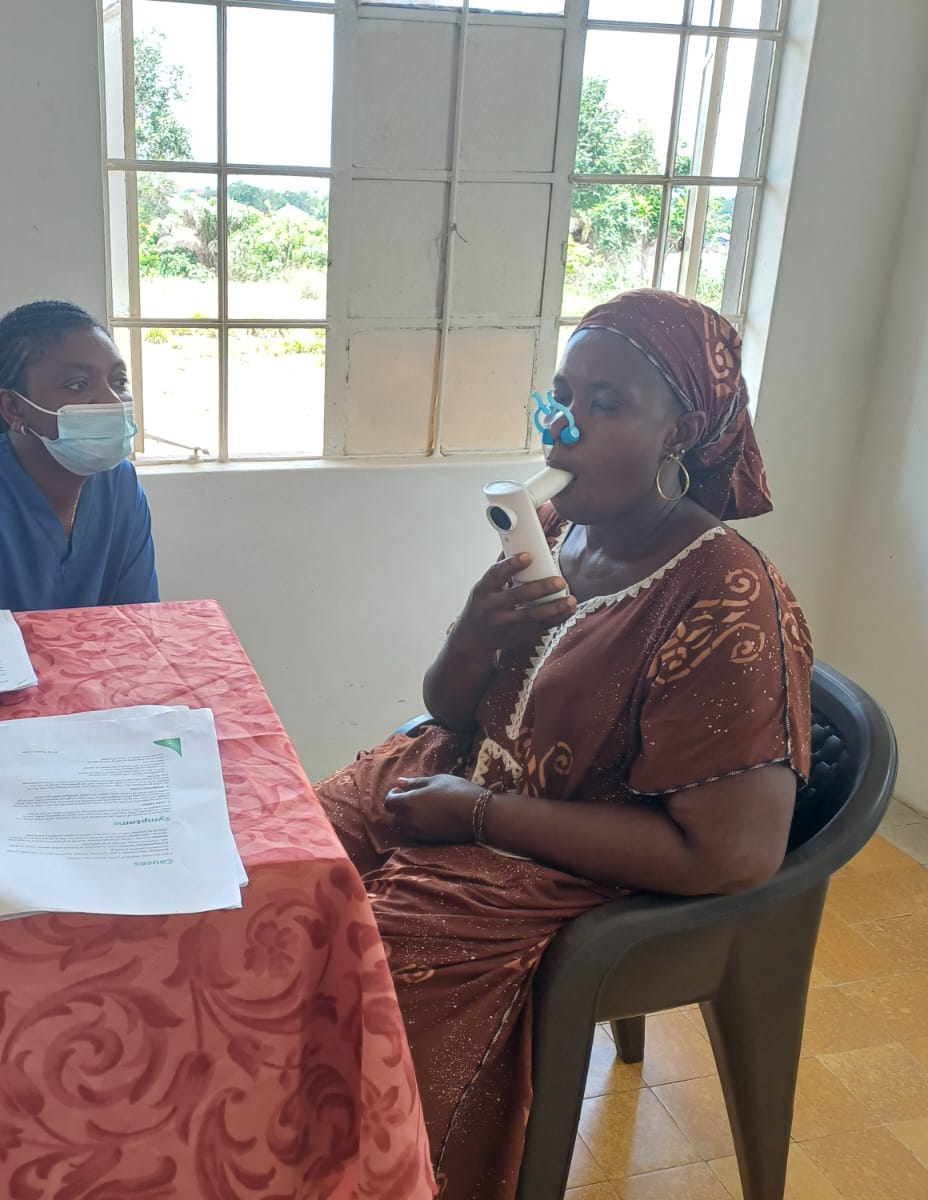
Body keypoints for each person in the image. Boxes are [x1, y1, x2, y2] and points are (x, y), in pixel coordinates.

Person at [315, 289, 812, 1200]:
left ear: (680, 433)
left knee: (357, 977)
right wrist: (474, 633)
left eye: (605, 403)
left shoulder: (726, 597)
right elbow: (452, 710)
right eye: (560, 394)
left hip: (573, 853)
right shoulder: (554, 529)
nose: (562, 425)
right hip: (459, 776)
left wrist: (482, 816)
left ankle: (354, 1168)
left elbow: (731, 852)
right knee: (291, 865)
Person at [0, 301, 159, 611]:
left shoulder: (120, 484)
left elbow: (138, 625)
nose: (111, 400)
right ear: (14, 408)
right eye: (77, 384)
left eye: (119, 381)